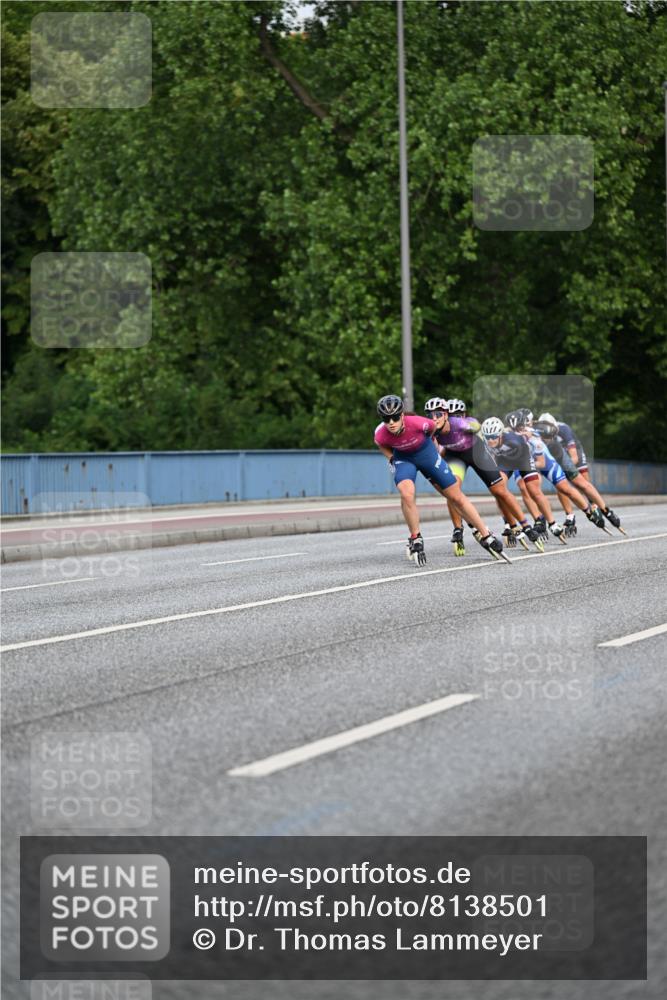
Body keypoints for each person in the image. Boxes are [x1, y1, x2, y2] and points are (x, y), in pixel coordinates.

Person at [374, 395, 505, 565]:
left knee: (455, 496)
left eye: (395, 417)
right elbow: (381, 444)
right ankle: (416, 538)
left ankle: (486, 534)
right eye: (386, 418)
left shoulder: (421, 423)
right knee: (407, 493)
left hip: (426, 456)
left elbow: (434, 435)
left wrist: (437, 455)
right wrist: (391, 458)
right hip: (404, 460)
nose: (391, 422)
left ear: (402, 415)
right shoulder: (380, 433)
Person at [424, 397, 544, 555]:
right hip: (454, 456)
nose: (434, 419)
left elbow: (479, 429)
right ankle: (458, 530)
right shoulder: (430, 430)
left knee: (499, 490)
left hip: (475, 452)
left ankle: (525, 526)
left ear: (446, 415)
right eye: (430, 415)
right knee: (452, 490)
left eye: (438, 414)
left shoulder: (460, 423)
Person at [505, 410, 611, 536]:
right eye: (514, 429)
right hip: (524, 459)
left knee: (566, 486)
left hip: (546, 457)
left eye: (520, 428)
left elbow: (543, 462)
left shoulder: (540, 432)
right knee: (523, 487)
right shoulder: (508, 435)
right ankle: (540, 520)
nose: (517, 431)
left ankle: (589, 510)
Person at [480, 416, 566, 542]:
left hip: (523, 459)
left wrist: (533, 432)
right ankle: (511, 524)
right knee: (498, 490)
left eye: (493, 436)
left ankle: (552, 523)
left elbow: (529, 435)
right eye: (487, 437)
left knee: (533, 491)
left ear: (500, 434)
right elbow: (492, 456)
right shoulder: (485, 442)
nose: (490, 440)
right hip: (505, 461)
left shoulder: (513, 439)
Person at [536, 413, 625, 534]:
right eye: (543, 435)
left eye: (550, 434)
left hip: (571, 452)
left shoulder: (564, 430)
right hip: (552, 452)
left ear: (555, 429)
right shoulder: (536, 432)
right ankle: (570, 516)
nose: (546, 436)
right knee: (560, 483)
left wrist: (567, 470)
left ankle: (604, 509)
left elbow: (574, 458)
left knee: (582, 482)